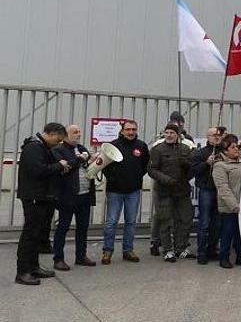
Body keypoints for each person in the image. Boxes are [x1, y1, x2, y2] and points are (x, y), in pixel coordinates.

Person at [15, 123, 69, 286]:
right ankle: (23, 271)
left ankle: (34, 267)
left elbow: (46, 168)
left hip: (42, 196)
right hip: (33, 197)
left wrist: (59, 168)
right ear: (51, 134)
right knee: (30, 235)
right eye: (58, 140)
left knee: (37, 235)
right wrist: (60, 165)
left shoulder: (42, 147)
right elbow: (38, 170)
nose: (58, 143)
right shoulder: (33, 148)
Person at [102, 120, 150, 265]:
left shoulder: (141, 146)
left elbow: (145, 165)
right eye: (128, 129)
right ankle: (107, 251)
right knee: (111, 222)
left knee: (130, 222)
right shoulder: (113, 146)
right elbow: (104, 166)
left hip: (133, 191)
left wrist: (135, 178)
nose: (131, 132)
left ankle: (128, 250)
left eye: (133, 129)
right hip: (115, 191)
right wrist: (115, 179)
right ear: (122, 131)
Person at [51, 125, 97, 271]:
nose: (78, 134)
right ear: (65, 136)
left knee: (83, 227)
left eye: (79, 131)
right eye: (75, 132)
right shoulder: (58, 150)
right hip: (68, 196)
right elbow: (65, 168)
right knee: (63, 228)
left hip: (84, 195)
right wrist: (79, 159)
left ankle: (81, 256)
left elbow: (87, 164)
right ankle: (58, 259)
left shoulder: (82, 148)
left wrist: (92, 160)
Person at [149, 115, 195, 256]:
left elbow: (193, 167)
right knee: (165, 221)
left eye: (172, 133)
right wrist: (166, 180)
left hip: (182, 191)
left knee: (185, 220)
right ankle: (168, 250)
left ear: (178, 135)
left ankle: (181, 248)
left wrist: (186, 164)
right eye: (167, 132)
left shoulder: (185, 148)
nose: (169, 135)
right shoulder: (158, 149)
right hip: (164, 191)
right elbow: (152, 169)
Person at [212, 134, 241, 268]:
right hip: (230, 207)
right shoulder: (220, 166)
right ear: (225, 150)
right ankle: (224, 257)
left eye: (237, 146)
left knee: (240, 233)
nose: (237, 149)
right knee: (227, 232)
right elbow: (223, 188)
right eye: (233, 147)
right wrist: (234, 205)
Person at [190, 126, 224, 264]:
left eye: (218, 135)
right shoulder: (201, 153)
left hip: (221, 190)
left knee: (217, 223)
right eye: (213, 135)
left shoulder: (224, 152)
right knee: (204, 222)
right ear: (207, 137)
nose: (216, 137)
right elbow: (194, 170)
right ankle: (202, 252)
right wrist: (206, 163)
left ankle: (212, 249)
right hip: (207, 189)